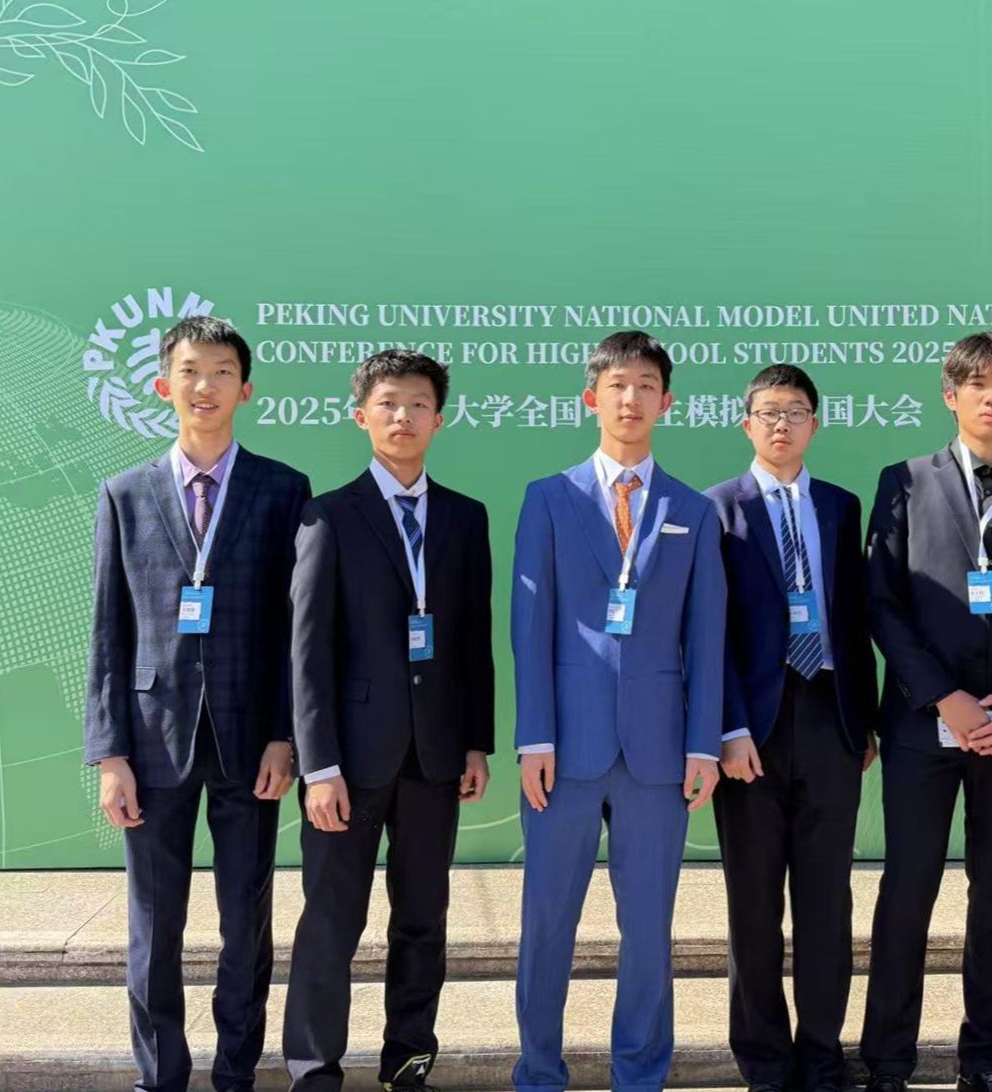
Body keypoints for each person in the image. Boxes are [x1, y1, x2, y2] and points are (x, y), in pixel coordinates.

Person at [83, 315, 309, 1092]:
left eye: (221, 371)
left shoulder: (283, 490)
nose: (204, 385)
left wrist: (285, 735)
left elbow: (295, 627)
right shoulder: (125, 494)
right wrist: (109, 754)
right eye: (190, 370)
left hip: (252, 743)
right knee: (154, 924)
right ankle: (161, 1075)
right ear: (162, 385)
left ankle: (235, 1073)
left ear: (246, 390)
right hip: (152, 743)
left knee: (246, 918)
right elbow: (108, 630)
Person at [510, 330, 727, 1092]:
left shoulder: (692, 510)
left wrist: (703, 745)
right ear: (590, 398)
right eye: (617, 385)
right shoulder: (549, 499)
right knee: (547, 922)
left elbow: (706, 636)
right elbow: (530, 626)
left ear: (667, 403)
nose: (630, 399)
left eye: (645, 386)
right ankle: (539, 1071)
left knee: (648, 930)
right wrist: (533, 736)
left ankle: (640, 1072)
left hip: (659, 754)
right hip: (564, 750)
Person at [854, 332, 992, 1092]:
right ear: (950, 395)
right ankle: (887, 1061)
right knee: (907, 891)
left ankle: (984, 1059)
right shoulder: (904, 482)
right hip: (923, 725)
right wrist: (941, 693)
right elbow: (881, 603)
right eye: (977, 384)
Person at [282, 349, 495, 1092]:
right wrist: (319, 766)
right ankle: (314, 1069)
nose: (403, 417)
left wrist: (476, 742)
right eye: (388, 404)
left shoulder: (465, 517)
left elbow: (472, 640)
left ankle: (408, 1061)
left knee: (422, 920)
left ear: (440, 418)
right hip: (349, 760)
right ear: (361, 416)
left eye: (418, 404)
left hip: (436, 756)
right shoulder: (329, 515)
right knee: (331, 921)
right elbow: (306, 651)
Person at [705, 364, 878, 1092]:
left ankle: (822, 1053)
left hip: (830, 716)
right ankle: (765, 1060)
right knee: (753, 903)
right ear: (746, 424)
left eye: (797, 411)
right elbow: (707, 634)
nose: (783, 424)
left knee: (826, 902)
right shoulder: (717, 509)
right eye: (769, 412)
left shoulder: (840, 505)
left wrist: (862, 720)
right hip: (753, 730)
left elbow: (855, 617)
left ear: (816, 423)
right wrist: (727, 727)